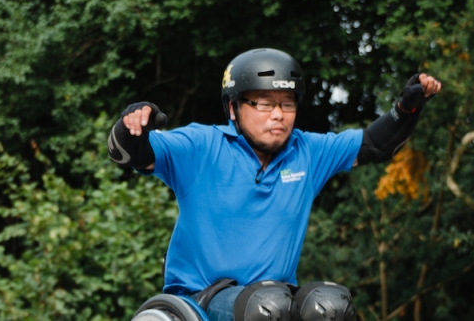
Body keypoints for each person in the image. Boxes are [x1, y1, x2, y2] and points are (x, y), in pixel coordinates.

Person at [108, 48, 441, 321]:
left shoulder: (307, 152)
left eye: (287, 103)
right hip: (201, 301)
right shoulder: (200, 146)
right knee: (268, 308)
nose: (278, 115)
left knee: (331, 307)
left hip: (274, 297)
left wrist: (406, 109)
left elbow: (373, 145)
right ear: (233, 108)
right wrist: (132, 126)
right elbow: (129, 153)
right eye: (264, 103)